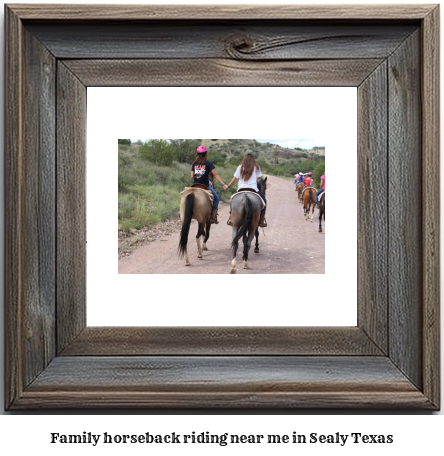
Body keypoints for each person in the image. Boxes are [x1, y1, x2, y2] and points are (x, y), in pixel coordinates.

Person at [226, 151, 267, 227]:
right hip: (253, 189)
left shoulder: (240, 167)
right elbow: (256, 180)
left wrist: (228, 186)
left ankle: (231, 217)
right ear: (253, 158)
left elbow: (234, 179)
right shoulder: (257, 167)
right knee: (264, 201)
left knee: (232, 201)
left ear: (245, 157)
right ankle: (261, 219)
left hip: (241, 189)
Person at [191, 145, 228, 224]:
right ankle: (213, 216)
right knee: (217, 199)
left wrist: (198, 174)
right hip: (205, 186)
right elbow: (215, 175)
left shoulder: (194, 164)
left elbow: (191, 176)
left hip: (195, 185)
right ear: (206, 154)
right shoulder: (208, 164)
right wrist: (223, 184)